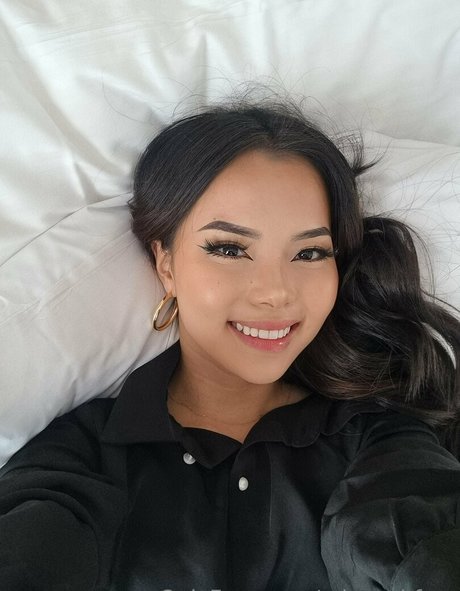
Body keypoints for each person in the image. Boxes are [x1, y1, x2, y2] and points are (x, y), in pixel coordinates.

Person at [0, 100, 460, 591]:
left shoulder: (382, 439)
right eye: (229, 248)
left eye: (309, 253)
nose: (276, 292)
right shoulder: (80, 455)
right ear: (166, 264)